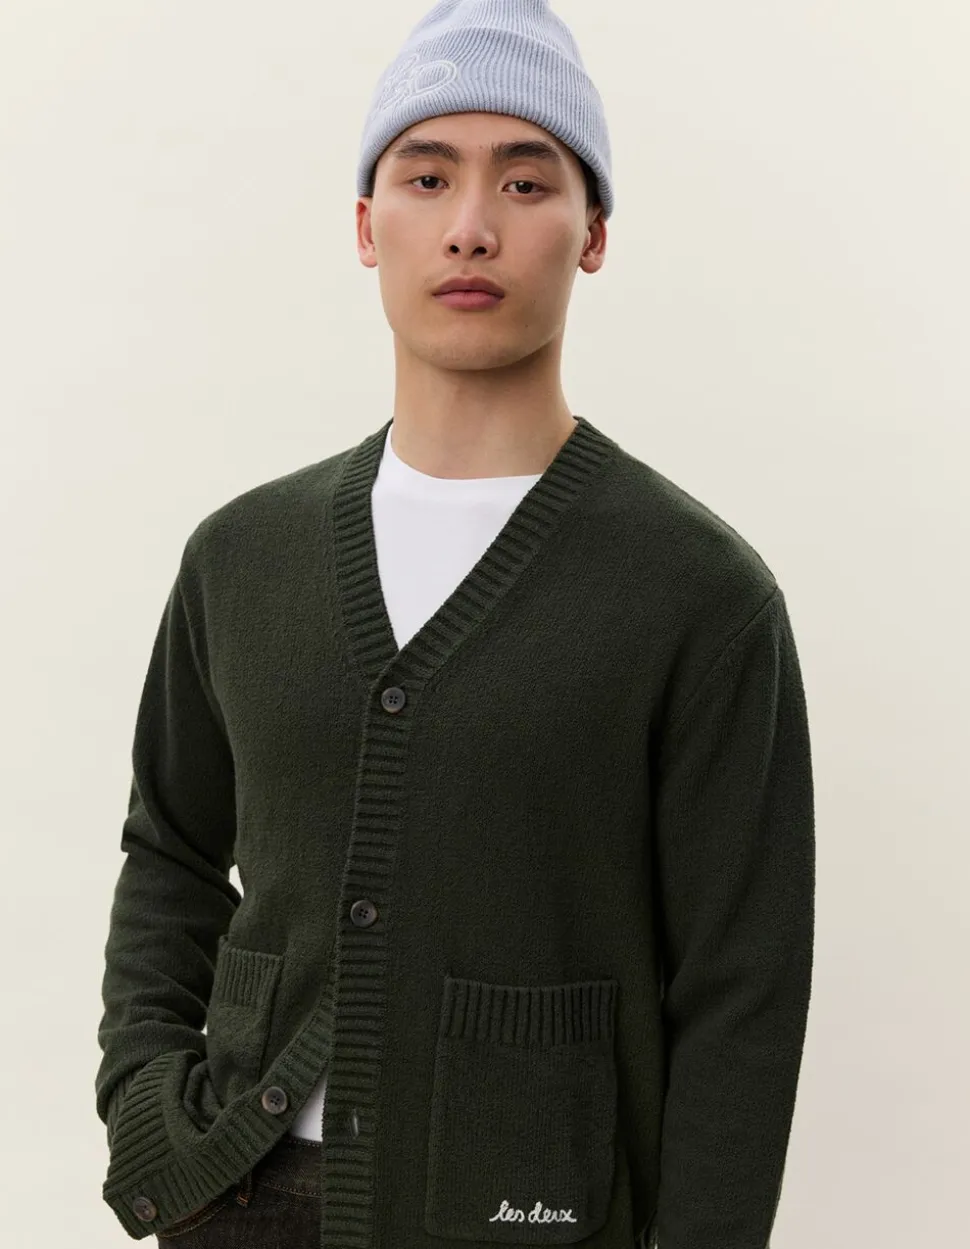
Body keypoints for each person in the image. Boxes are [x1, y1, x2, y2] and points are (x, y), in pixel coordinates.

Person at [95, 2, 815, 1247]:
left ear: (593, 233)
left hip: (533, 1214)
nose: (471, 225)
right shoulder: (241, 558)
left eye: (526, 181)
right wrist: (147, 1105)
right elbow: (169, 849)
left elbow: (741, 987)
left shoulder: (698, 596)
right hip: (240, 1197)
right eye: (426, 177)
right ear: (365, 226)